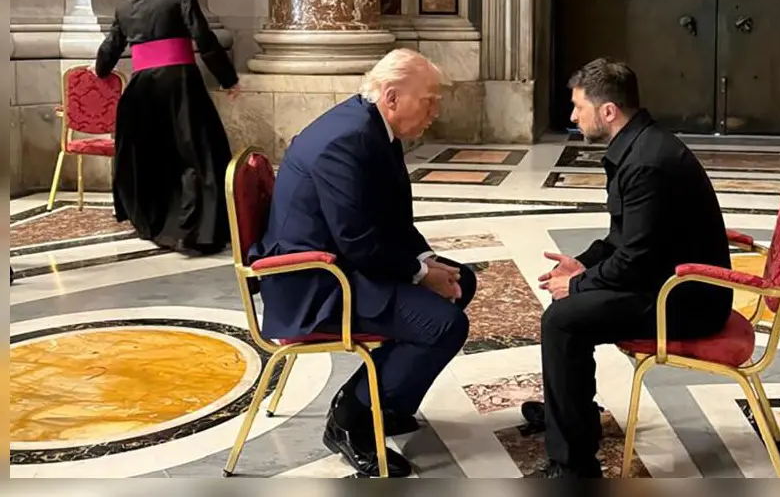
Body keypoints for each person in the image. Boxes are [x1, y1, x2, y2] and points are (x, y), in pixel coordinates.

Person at [248, 49, 478, 478]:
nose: (435, 111)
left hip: (343, 262)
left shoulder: (372, 127)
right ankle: (350, 418)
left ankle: (385, 401)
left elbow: (389, 218)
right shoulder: (347, 140)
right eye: (429, 100)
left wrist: (426, 260)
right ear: (391, 96)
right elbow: (357, 239)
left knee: (462, 281)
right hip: (314, 282)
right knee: (444, 326)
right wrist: (420, 274)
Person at [523, 58, 734, 478]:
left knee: (562, 321)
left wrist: (578, 285)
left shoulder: (647, 163)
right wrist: (582, 264)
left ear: (608, 111)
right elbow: (623, 240)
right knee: (567, 315)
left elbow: (634, 260)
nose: (572, 116)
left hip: (686, 299)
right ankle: (572, 418)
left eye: (578, 107)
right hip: (666, 280)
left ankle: (574, 467)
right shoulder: (640, 147)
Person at [93, 0, 240, 255]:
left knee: (151, 155)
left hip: (142, 88)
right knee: (200, 152)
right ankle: (199, 228)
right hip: (181, 83)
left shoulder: (125, 4)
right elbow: (204, 38)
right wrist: (228, 78)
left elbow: (111, 46)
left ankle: (155, 221)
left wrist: (100, 71)